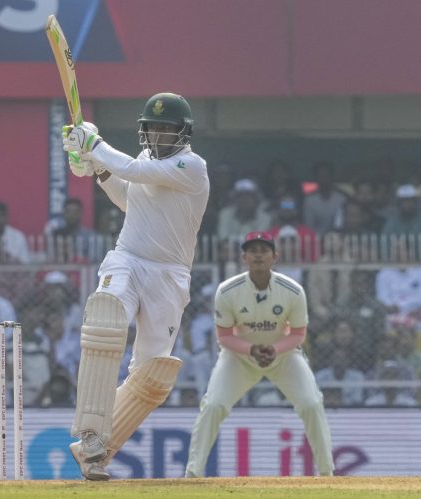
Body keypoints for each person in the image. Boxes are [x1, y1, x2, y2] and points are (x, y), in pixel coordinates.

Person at [61, 92, 209, 480]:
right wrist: (97, 167)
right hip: (127, 258)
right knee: (106, 316)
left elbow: (132, 170)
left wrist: (93, 145)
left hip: (170, 275)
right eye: (152, 128)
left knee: (153, 376)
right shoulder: (145, 161)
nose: (157, 135)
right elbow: (130, 198)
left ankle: (95, 453)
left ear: (182, 133)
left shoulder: (191, 166)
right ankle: (90, 431)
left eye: (166, 129)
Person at [184, 231, 334, 477]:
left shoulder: (293, 290)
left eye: (264, 251)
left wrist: (275, 349)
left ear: (275, 256)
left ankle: (327, 473)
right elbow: (224, 337)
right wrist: (251, 350)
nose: (258, 255)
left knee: (311, 403)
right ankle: (193, 472)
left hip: (283, 355)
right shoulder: (227, 291)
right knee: (213, 405)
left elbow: (298, 334)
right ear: (243, 257)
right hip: (240, 357)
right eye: (252, 251)